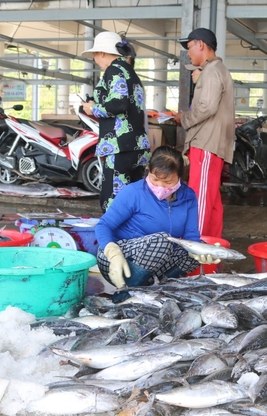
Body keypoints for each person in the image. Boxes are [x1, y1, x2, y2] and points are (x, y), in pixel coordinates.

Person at [95, 146, 218, 292]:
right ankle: (127, 293)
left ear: (180, 177)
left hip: (157, 258)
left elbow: (191, 237)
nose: (160, 186)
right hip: (117, 258)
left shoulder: (189, 197)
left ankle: (157, 289)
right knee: (163, 240)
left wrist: (200, 252)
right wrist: (113, 253)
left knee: (195, 248)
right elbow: (104, 225)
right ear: (148, 170)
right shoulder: (134, 192)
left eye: (168, 182)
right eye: (154, 179)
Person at [174, 28, 234, 238]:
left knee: (199, 201)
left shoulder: (212, 71)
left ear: (201, 45)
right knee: (212, 204)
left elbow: (206, 107)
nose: (188, 53)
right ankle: (211, 257)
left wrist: (184, 119)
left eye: (189, 47)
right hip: (213, 145)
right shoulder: (216, 70)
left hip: (206, 144)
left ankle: (194, 259)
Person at [81, 31, 150, 212]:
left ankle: (115, 239)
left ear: (102, 53)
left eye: (95, 54)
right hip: (137, 146)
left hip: (119, 146)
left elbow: (119, 103)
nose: (95, 58)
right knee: (136, 199)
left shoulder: (113, 70)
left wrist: (92, 108)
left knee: (112, 201)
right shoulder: (130, 72)